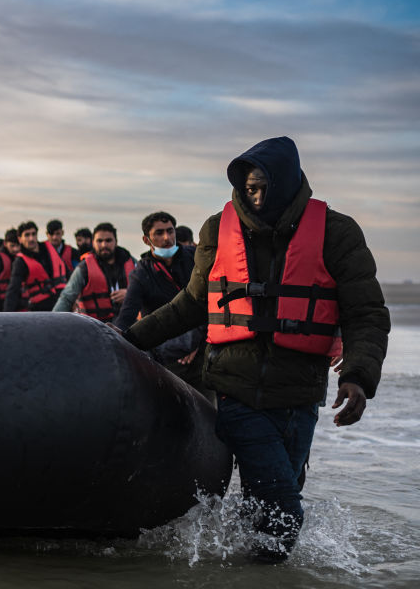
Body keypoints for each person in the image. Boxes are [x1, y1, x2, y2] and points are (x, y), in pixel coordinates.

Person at [122, 136, 389, 563]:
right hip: (236, 389)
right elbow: (192, 304)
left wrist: (359, 376)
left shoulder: (337, 232)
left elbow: (366, 312)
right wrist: (126, 341)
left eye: (266, 187)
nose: (259, 197)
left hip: (301, 393)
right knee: (283, 511)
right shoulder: (217, 228)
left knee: (268, 500)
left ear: (288, 182)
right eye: (251, 189)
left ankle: (245, 586)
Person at [115, 212, 207, 394]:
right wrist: (115, 339)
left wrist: (195, 341)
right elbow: (127, 314)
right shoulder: (141, 274)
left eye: (170, 231)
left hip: (204, 347)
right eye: (159, 233)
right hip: (168, 354)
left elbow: (212, 300)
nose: (167, 238)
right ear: (146, 239)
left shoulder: (196, 259)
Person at [53, 222, 134, 321]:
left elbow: (147, 290)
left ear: (116, 242)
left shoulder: (132, 262)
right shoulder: (84, 268)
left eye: (108, 240)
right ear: (93, 242)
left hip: (128, 324)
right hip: (97, 326)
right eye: (99, 241)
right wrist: (52, 323)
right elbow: (66, 298)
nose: (104, 245)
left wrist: (130, 294)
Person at [5, 221, 68, 312]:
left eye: (33, 234)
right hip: (41, 310)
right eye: (27, 235)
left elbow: (68, 274)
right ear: (20, 239)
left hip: (63, 304)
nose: (31, 238)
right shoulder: (20, 262)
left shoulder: (50, 249)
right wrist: (6, 317)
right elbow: (13, 291)